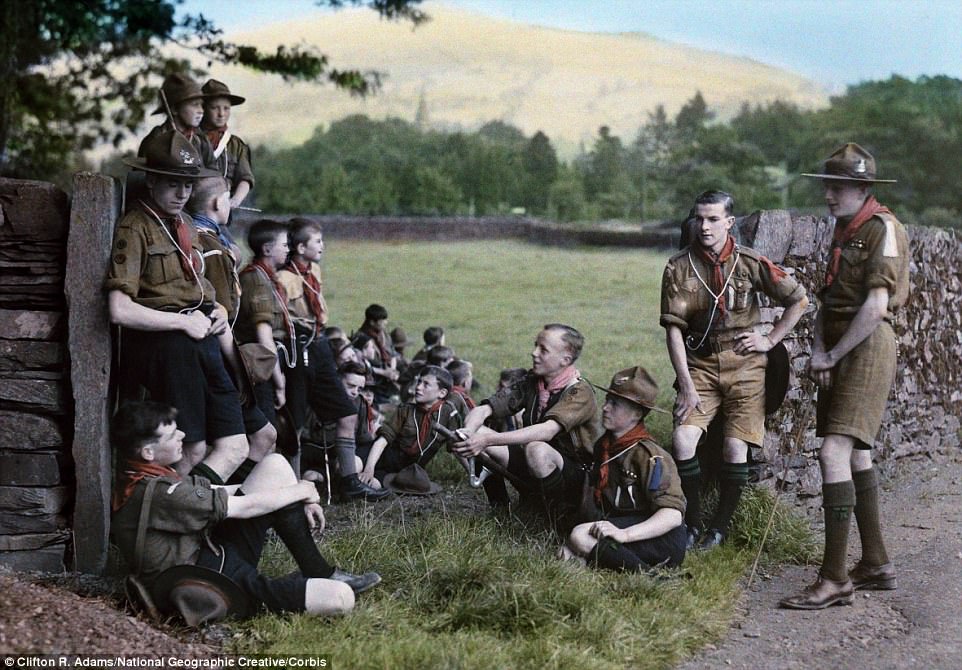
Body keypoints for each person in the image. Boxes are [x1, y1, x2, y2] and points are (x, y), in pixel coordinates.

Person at [780, 143, 909, 610]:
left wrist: (832, 354)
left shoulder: (883, 230)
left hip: (866, 347)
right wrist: (818, 350)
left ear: (862, 188)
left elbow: (875, 308)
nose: (829, 197)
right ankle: (875, 563)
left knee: (834, 450)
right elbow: (828, 299)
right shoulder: (844, 228)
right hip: (838, 347)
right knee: (855, 455)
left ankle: (834, 578)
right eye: (827, 188)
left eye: (837, 188)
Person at [110, 401, 380, 623]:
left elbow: (218, 490)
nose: (182, 435)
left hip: (211, 554)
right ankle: (288, 586)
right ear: (148, 451)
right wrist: (302, 491)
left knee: (275, 464)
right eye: (172, 435)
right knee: (341, 598)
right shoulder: (162, 493)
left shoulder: (144, 478)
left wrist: (301, 491)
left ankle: (317, 571)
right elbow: (244, 506)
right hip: (205, 583)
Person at [661, 190, 808, 550]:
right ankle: (692, 522)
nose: (705, 226)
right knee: (683, 438)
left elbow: (798, 300)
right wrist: (685, 384)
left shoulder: (749, 262)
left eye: (713, 219)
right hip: (700, 366)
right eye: (699, 218)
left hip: (746, 366)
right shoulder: (679, 267)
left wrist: (769, 340)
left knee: (733, 447)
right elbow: (674, 330)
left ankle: (719, 528)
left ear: (729, 222)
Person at [106, 129, 247, 484]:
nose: (183, 193)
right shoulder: (134, 227)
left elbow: (198, 284)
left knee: (236, 444)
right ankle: (161, 518)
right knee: (194, 449)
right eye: (173, 183)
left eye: (188, 184)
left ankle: (194, 515)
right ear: (151, 181)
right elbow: (119, 309)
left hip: (203, 340)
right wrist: (180, 323)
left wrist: (219, 312)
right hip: (166, 348)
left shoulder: (186, 224)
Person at [276, 219, 386, 501]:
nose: (323, 246)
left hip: (320, 344)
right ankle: (292, 490)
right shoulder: (283, 278)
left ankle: (350, 480)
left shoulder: (314, 270)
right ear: (300, 247)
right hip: (296, 348)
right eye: (317, 242)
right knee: (296, 422)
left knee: (347, 413)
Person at [453, 324, 600, 521]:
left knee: (536, 449)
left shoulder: (579, 392)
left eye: (543, 350)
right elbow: (483, 409)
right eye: (535, 345)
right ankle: (501, 508)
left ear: (565, 359)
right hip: (536, 463)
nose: (534, 353)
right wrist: (469, 433)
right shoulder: (533, 382)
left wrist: (488, 440)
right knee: (472, 434)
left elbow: (547, 431)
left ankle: (557, 518)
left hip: (576, 477)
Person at [186, 176, 277, 478]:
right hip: (219, 358)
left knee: (261, 437)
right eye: (228, 199)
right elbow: (222, 310)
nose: (232, 205)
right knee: (233, 444)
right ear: (216, 203)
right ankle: (216, 508)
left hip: (216, 355)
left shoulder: (206, 238)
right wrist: (238, 370)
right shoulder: (210, 248)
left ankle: (228, 503)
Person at [560, 367, 687, 572]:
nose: (605, 408)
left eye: (615, 404)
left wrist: (624, 534)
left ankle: (648, 575)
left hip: (660, 537)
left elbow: (672, 515)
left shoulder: (650, 455)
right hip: (624, 522)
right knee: (572, 548)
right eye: (607, 400)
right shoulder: (605, 445)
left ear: (636, 414)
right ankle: (596, 557)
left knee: (579, 536)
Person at [359, 366, 463, 489]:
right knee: (351, 466)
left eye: (426, 384)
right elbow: (382, 440)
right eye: (419, 382)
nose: (418, 387)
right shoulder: (406, 410)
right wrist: (368, 469)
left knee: (371, 485)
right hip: (380, 455)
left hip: (404, 471)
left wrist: (472, 473)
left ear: (442, 393)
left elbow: (459, 448)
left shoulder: (448, 414)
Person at [235, 219, 294, 425]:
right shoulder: (256, 280)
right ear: (267, 249)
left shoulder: (266, 278)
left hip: (267, 362)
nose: (288, 249)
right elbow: (264, 337)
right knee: (266, 432)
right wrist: (279, 383)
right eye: (284, 245)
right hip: (259, 365)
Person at [139, 73, 215, 169]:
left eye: (201, 105)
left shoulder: (201, 140)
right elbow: (140, 177)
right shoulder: (156, 139)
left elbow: (213, 173)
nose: (201, 111)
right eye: (195, 104)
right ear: (174, 109)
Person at [201, 79, 255, 209]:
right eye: (214, 108)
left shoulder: (236, 145)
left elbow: (245, 178)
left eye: (226, 108)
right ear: (203, 108)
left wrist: (235, 200)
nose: (221, 114)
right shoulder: (192, 139)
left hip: (221, 210)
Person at [358, 304, 401, 404]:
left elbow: (392, 353)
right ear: (372, 322)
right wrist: (383, 372)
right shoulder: (361, 338)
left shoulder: (384, 335)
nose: (386, 323)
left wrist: (392, 370)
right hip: (373, 380)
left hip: (387, 377)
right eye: (382, 320)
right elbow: (361, 364)